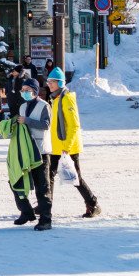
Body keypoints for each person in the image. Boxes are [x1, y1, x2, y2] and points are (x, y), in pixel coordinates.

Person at [45, 68, 101, 218]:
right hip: (56, 147)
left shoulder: (66, 98)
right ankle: (45, 206)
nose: (49, 84)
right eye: (48, 81)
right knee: (49, 175)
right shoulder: (55, 98)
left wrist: (67, 148)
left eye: (52, 82)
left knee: (76, 178)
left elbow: (74, 125)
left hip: (67, 148)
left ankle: (93, 204)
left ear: (60, 83)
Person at [0, 77, 53, 230]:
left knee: (42, 188)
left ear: (35, 92)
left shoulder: (44, 106)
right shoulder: (22, 106)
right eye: (23, 90)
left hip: (40, 151)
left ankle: (45, 220)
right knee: (16, 181)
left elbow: (46, 125)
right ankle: (26, 212)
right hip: (24, 151)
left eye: (27, 90)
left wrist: (27, 121)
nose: (24, 93)